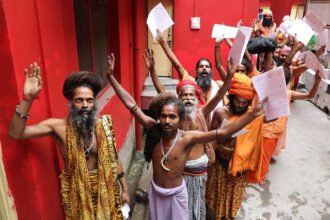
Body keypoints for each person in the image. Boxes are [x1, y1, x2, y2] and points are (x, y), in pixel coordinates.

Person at [107, 53, 264, 220]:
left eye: (172, 117)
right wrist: (110, 77)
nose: (167, 121)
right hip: (156, 191)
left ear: (179, 117)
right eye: (163, 116)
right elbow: (131, 105)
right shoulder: (154, 128)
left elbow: (224, 132)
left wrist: (252, 114)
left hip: (180, 191)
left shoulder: (188, 136)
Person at [8, 63, 129, 219]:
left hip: (107, 192)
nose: (85, 105)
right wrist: (28, 98)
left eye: (89, 100)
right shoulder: (58, 127)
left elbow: (114, 157)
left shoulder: (102, 126)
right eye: (79, 100)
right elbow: (16, 133)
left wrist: (124, 188)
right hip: (78, 198)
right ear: (71, 102)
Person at [144, 49, 236, 220]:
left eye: (191, 95)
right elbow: (161, 91)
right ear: (178, 98)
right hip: (177, 175)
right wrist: (153, 70)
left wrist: (229, 76)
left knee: (195, 209)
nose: (187, 97)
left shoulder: (202, 112)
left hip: (198, 172)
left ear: (196, 97)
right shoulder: (173, 119)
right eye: (184, 94)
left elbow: (219, 95)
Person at [206, 74, 266, 220]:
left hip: (239, 165)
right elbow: (210, 135)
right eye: (238, 101)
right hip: (220, 163)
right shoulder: (220, 113)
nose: (240, 105)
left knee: (234, 197)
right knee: (217, 196)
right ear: (232, 98)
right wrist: (222, 137)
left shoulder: (253, 115)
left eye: (244, 102)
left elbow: (272, 117)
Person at [156, 30, 225, 112]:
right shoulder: (190, 83)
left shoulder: (218, 86)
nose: (204, 68)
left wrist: (217, 45)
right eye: (201, 66)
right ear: (196, 71)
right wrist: (162, 42)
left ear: (211, 71)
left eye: (207, 66)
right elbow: (177, 65)